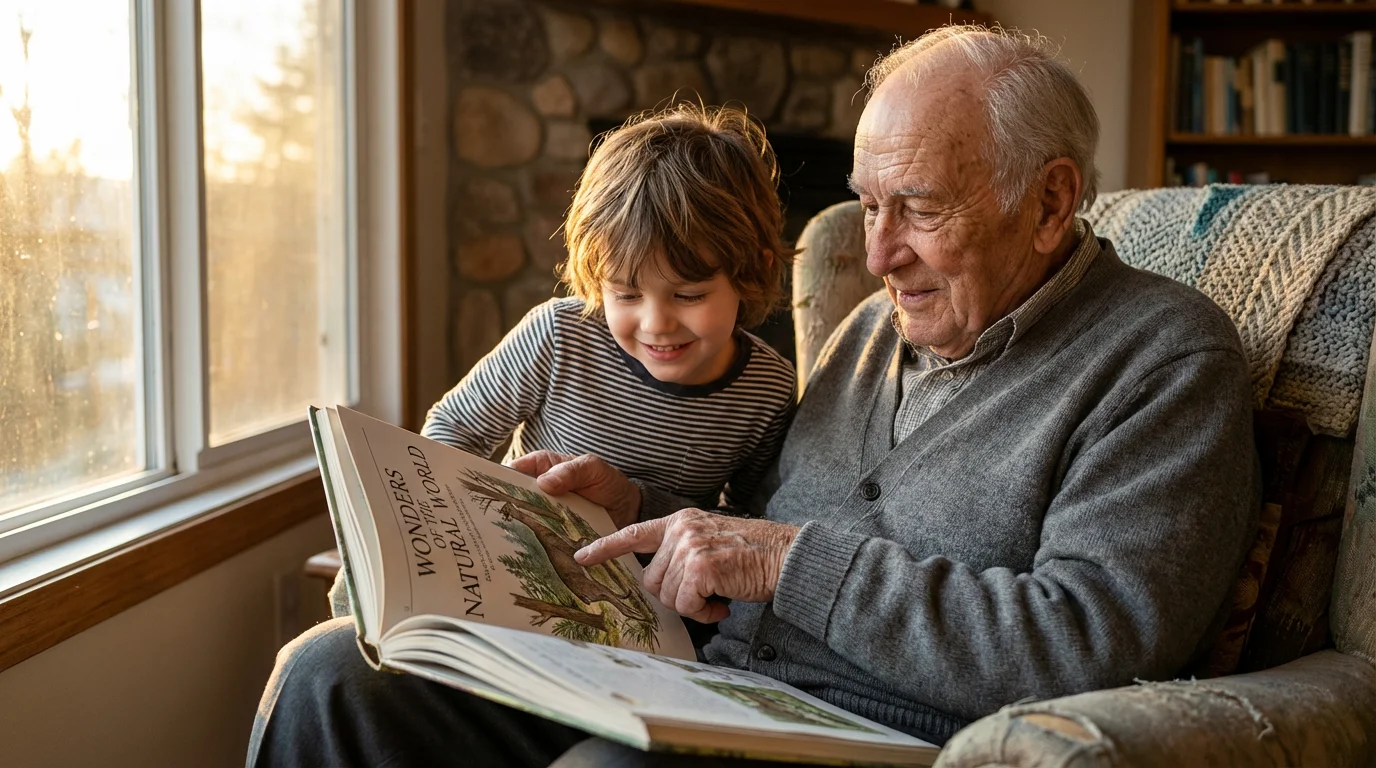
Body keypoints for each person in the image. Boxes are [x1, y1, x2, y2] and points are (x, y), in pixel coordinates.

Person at [247, 25, 1260, 768]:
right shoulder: (871, 333)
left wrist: (790, 565)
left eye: (916, 209)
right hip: (701, 681)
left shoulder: (1161, 362)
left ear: (1047, 203)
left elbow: (1092, 639)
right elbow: (751, 535)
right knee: (331, 676)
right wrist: (635, 512)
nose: (873, 255)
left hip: (872, 740)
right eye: (866, 205)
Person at [422, 103, 796, 518]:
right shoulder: (559, 335)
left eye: (689, 296)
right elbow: (453, 429)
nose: (656, 325)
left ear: (754, 270)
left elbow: (751, 522)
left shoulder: (769, 391)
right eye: (626, 294)